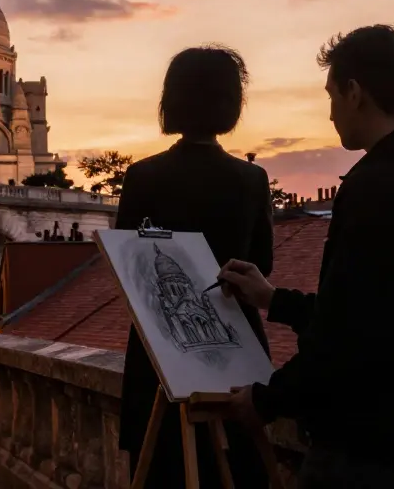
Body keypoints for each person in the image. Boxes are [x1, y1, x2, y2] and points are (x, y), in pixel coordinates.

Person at [219, 25, 394, 489]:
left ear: (355, 93)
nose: (330, 114)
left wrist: (267, 400)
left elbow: (351, 338)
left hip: (376, 453)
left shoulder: (380, 187)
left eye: (332, 95)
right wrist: (275, 300)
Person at [115, 45, 274, 488]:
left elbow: (129, 271)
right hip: (237, 351)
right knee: (243, 471)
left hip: (162, 354)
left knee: (162, 468)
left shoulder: (144, 176)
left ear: (172, 101)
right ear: (231, 103)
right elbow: (263, 268)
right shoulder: (251, 179)